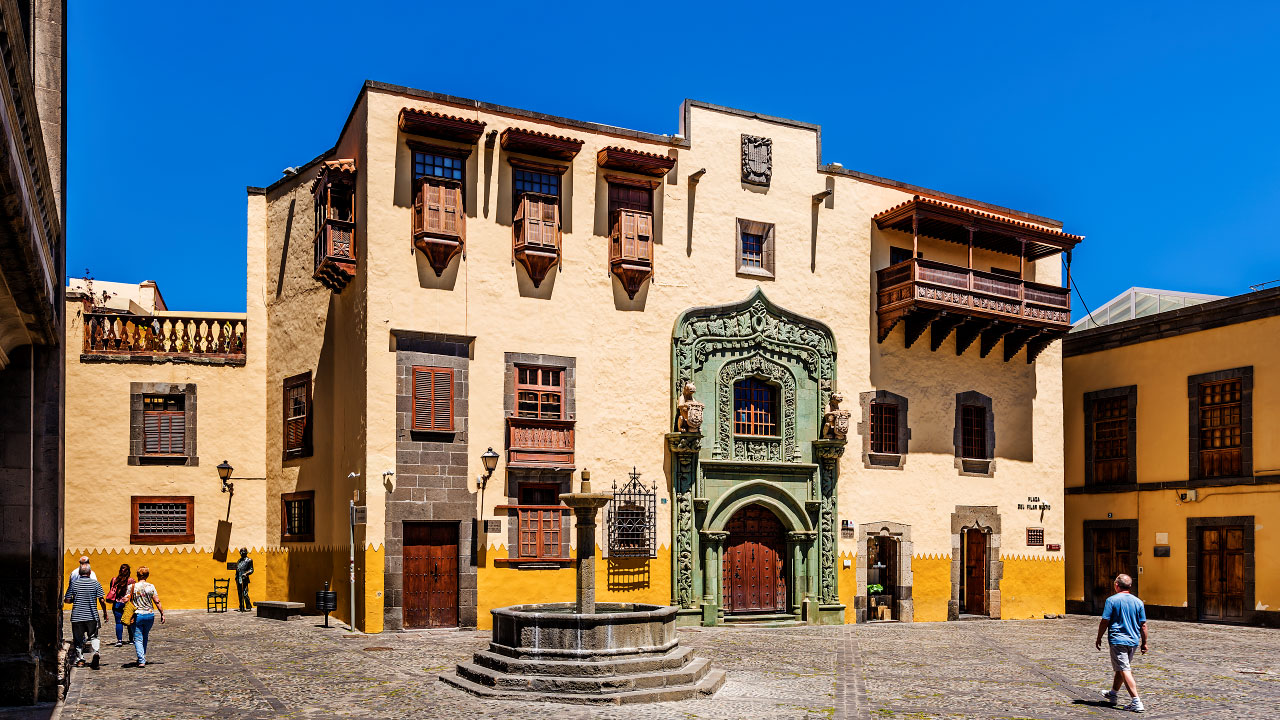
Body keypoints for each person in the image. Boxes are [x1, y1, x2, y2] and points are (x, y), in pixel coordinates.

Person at [1095, 573, 1148, 713]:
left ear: (1116, 585)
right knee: (1122, 667)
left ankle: (1136, 701)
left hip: (1118, 640)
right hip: (1133, 641)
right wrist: (1144, 643)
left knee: (1124, 669)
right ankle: (1112, 694)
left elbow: (1105, 620)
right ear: (1130, 586)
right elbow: (1143, 625)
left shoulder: (1111, 600)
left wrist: (1099, 637)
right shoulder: (1138, 602)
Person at [63, 564, 107, 669]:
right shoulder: (96, 584)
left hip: (77, 616)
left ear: (79, 573)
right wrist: (105, 612)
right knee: (94, 636)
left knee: (78, 639)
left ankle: (80, 660)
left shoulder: (74, 584)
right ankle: (96, 652)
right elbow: (101, 600)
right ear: (90, 572)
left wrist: (76, 599)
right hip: (92, 615)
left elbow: (67, 600)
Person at [124, 566, 164, 668]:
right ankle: (142, 656)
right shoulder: (151, 586)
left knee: (137, 638)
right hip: (149, 615)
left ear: (137, 575)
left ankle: (141, 660)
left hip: (137, 615)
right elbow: (157, 601)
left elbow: (126, 599)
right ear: (147, 575)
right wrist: (162, 613)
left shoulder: (131, 587)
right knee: (145, 636)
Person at [105, 563, 134, 647]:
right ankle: (131, 639)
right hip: (127, 603)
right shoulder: (131, 581)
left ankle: (119, 640)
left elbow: (112, 590)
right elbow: (133, 592)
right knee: (129, 621)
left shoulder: (114, 580)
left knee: (118, 622)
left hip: (117, 603)